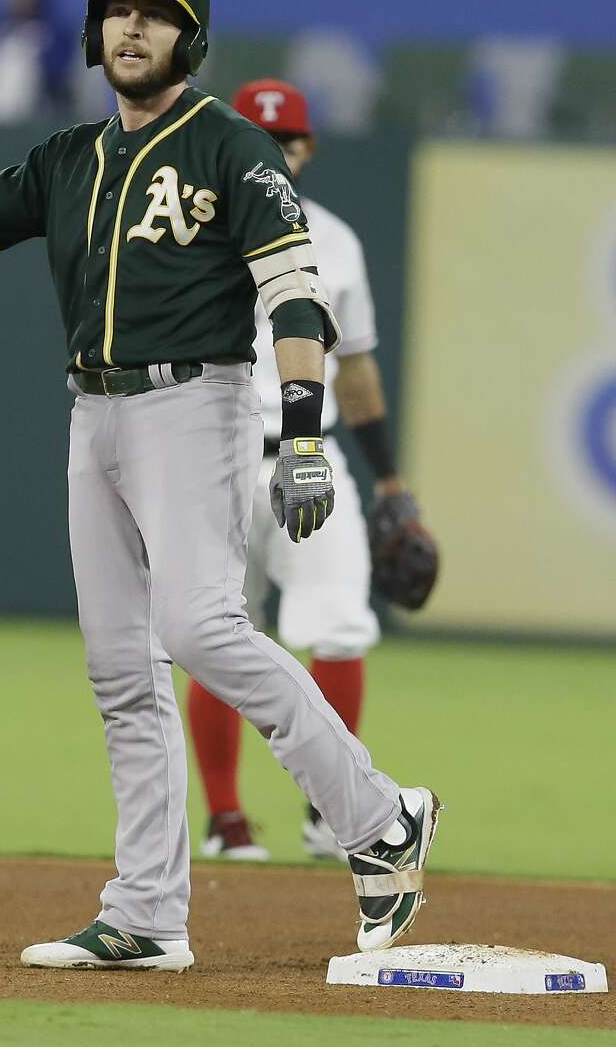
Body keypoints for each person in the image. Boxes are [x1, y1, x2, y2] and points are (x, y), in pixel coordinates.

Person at [0, 0, 440, 970]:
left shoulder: (229, 146)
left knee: (205, 629)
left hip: (194, 405)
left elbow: (295, 293)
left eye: (155, 13)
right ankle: (147, 913)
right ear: (95, 33)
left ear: (190, 36)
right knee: (120, 668)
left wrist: (305, 434)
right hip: (94, 414)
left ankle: (382, 817)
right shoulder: (69, 156)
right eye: (117, 11)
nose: (133, 28)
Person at [188, 79, 419, 864]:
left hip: (307, 453)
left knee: (341, 623)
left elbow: (355, 372)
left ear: (307, 149)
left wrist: (388, 480)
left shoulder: (337, 241)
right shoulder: (190, 228)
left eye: (285, 141)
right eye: (255, 135)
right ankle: (226, 819)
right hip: (211, 454)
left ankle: (335, 814)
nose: (272, 152)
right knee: (214, 632)